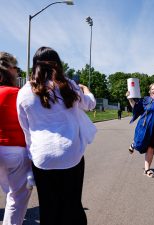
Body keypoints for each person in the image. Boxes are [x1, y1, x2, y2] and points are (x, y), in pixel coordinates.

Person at [17, 47, 96, 225]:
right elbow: (90, 105)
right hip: (71, 154)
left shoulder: (24, 92)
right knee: (72, 205)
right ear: (58, 64)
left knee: (48, 208)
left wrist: (32, 156)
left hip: (42, 158)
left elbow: (26, 130)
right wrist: (87, 90)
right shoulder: (69, 85)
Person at [0, 52, 32, 225]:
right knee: (16, 199)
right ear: (9, 70)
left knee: (10, 194)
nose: (18, 73)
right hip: (14, 151)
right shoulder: (17, 93)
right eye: (17, 69)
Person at [127, 83, 154, 178]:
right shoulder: (145, 100)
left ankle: (147, 169)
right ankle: (134, 144)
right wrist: (130, 98)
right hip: (144, 126)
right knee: (141, 142)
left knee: (151, 148)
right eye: (152, 89)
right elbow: (136, 107)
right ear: (150, 91)